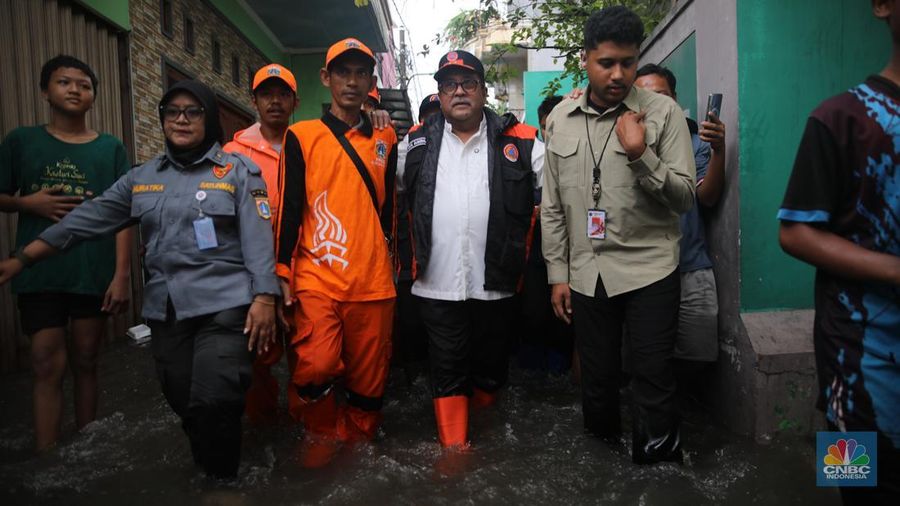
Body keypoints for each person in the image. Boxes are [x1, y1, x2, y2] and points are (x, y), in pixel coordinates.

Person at [0, 79, 279, 480]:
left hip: (226, 307)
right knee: (185, 400)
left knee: (215, 397)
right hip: (168, 312)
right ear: (163, 119)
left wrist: (265, 298)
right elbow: (85, 220)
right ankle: (212, 466)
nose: (181, 120)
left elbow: (258, 240)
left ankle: (223, 485)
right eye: (172, 112)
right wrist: (24, 258)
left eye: (192, 112)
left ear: (209, 118)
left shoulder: (237, 172)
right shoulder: (142, 178)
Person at [541, 6, 695, 464]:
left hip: (650, 269)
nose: (618, 74)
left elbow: (685, 197)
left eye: (628, 62)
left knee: (653, 378)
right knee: (599, 379)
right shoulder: (561, 119)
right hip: (588, 274)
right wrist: (558, 274)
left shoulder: (662, 114)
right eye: (606, 63)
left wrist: (640, 153)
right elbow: (552, 205)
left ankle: (658, 474)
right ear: (586, 59)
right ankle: (602, 469)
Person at [778, 0, 899, 502]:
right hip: (854, 365)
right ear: (882, 6)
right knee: (854, 490)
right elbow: (795, 232)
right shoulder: (839, 117)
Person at [398, 49, 544, 449]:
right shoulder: (414, 143)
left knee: (491, 368)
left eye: (467, 83)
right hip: (436, 282)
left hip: (496, 281)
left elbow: (558, 196)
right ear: (440, 95)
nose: (458, 91)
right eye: (448, 85)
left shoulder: (523, 141)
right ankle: (455, 458)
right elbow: (389, 195)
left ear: (483, 91)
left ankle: (487, 434)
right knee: (445, 368)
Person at [274, 38, 397, 467]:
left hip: (373, 280)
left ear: (370, 80)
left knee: (370, 382)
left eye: (361, 72)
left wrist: (395, 262)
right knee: (316, 365)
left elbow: (391, 211)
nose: (351, 81)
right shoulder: (300, 135)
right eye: (342, 72)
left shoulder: (385, 134)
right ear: (326, 78)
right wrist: (281, 271)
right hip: (317, 275)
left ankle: (359, 444)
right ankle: (321, 435)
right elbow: (289, 210)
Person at [0, 55, 133, 451]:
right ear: (45, 91)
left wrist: (121, 274)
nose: (75, 89)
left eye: (84, 84)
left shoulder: (110, 148)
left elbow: (125, 213)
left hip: (91, 269)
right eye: (64, 82)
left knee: (88, 357)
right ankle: (47, 455)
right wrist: (29, 204)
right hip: (40, 273)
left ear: (93, 96)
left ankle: (85, 450)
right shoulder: (21, 141)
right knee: (45, 361)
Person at [634, 64, 726, 388]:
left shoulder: (694, 142)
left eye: (660, 96)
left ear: (675, 99)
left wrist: (718, 150)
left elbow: (708, 197)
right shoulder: (622, 143)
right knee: (644, 364)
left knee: (696, 362)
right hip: (639, 273)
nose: (652, 105)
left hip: (689, 268)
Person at [223, 63, 299, 426]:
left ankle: (306, 431)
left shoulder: (308, 145)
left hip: (302, 271)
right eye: (267, 94)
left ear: (295, 102)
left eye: (283, 94)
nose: (275, 101)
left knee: (309, 359)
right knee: (256, 359)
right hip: (252, 277)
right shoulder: (232, 154)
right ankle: (264, 430)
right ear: (254, 100)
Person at [516, 93, 575, 376]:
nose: (554, 132)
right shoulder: (529, 158)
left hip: (573, 256)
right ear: (541, 127)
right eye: (548, 126)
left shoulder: (581, 158)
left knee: (565, 316)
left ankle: (560, 370)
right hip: (534, 255)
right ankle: (532, 373)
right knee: (532, 313)